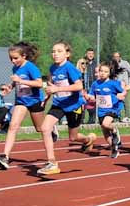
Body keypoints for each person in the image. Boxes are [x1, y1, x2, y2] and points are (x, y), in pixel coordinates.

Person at [0, 41, 47, 172]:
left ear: (24, 56)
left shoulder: (31, 67)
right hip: (21, 101)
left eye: (15, 58)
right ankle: (5, 156)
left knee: (40, 129)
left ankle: (51, 129)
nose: (13, 61)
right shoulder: (15, 68)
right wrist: (11, 86)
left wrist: (21, 81)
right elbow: (16, 81)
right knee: (13, 126)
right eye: (11, 58)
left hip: (34, 100)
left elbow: (39, 84)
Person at [37, 41, 87, 175]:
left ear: (67, 54)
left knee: (73, 137)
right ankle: (52, 162)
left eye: (59, 51)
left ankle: (88, 140)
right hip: (58, 104)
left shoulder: (70, 68)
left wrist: (58, 89)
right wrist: (46, 98)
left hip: (74, 105)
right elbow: (51, 85)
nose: (55, 54)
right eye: (53, 51)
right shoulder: (53, 68)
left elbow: (79, 86)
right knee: (45, 128)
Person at [83, 63, 125, 157]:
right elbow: (92, 96)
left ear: (109, 73)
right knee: (105, 132)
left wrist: (122, 95)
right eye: (101, 71)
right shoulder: (95, 84)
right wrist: (88, 97)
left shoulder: (113, 83)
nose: (102, 73)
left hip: (113, 108)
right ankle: (114, 149)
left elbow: (123, 91)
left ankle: (114, 129)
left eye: (105, 72)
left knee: (105, 124)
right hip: (101, 110)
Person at [81, 48, 97, 125]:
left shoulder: (95, 64)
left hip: (92, 87)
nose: (91, 55)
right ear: (86, 54)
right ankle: (81, 119)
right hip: (84, 86)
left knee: (92, 104)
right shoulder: (83, 63)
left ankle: (92, 119)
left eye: (92, 54)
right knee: (83, 103)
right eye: (89, 53)